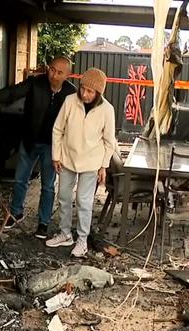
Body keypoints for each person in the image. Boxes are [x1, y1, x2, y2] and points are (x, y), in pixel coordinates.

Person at [0, 57, 76, 239]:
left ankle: (43, 223)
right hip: (30, 141)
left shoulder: (71, 94)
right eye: (51, 69)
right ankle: (16, 213)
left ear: (68, 75)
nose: (53, 75)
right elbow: (13, 92)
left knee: (48, 186)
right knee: (20, 179)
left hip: (52, 147)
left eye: (59, 72)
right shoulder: (36, 83)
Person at [46, 68, 117, 257]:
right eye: (83, 89)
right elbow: (57, 129)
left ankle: (83, 240)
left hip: (92, 162)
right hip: (68, 158)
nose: (85, 94)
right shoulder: (70, 101)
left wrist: (104, 165)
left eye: (90, 91)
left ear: (98, 93)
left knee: (84, 201)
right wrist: (56, 155)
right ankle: (65, 233)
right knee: (63, 197)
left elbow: (109, 141)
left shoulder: (107, 110)